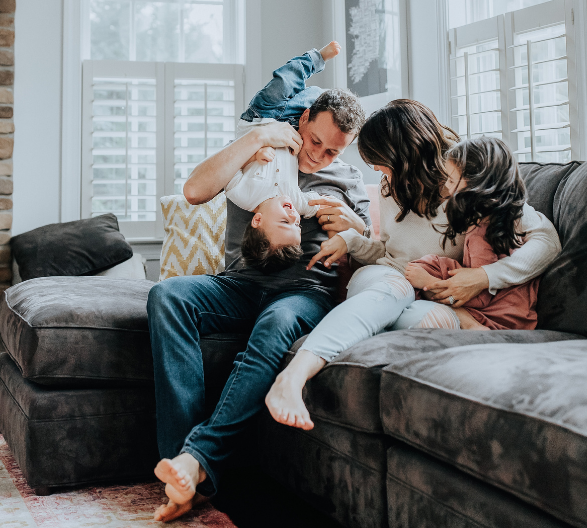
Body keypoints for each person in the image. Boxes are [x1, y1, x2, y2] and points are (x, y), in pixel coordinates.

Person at [147, 45, 371, 522]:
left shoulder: (348, 181)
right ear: (304, 119)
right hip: (239, 284)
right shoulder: (264, 150)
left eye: (333, 150)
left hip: (304, 293)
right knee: (167, 295)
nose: (319, 156)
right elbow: (194, 191)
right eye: (315, 141)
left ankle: (196, 461)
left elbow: (373, 256)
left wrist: (354, 229)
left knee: (276, 323)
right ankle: (182, 466)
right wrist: (257, 138)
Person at [265, 99, 561, 432]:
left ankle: (346, 338)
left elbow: (547, 242)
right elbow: (387, 253)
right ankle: (293, 376)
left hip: (429, 298)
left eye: (380, 162)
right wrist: (352, 241)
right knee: (394, 290)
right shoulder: (389, 186)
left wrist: (483, 277)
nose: (377, 171)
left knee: (424, 320)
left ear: (404, 155)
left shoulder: (465, 179)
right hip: (386, 279)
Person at [227, 42, 342, 272]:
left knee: (285, 80)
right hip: (291, 126)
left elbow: (229, 164)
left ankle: (317, 58)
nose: (292, 215)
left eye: (284, 221)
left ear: (257, 220)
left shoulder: (243, 195)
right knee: (319, 98)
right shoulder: (296, 202)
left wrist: (252, 156)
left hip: (261, 117)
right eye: (297, 224)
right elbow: (319, 204)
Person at [405, 136, 540, 331]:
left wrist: (429, 283)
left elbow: (479, 297)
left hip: (500, 317)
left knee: (427, 269)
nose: (447, 188)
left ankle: (472, 327)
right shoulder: (504, 218)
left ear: (477, 184)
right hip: (517, 311)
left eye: (452, 180)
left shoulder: (481, 234)